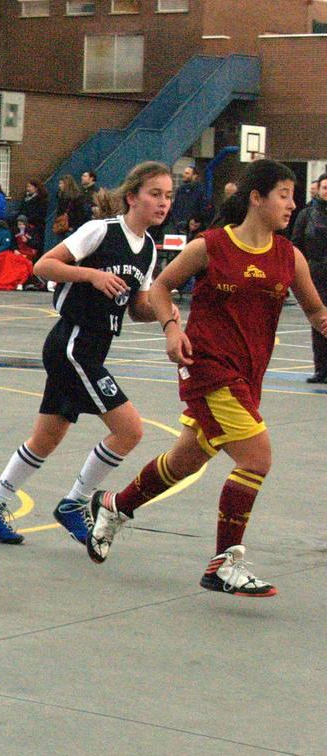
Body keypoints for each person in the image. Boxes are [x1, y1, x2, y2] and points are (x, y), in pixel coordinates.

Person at [85, 159, 327, 596]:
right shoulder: (211, 246)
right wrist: (172, 328)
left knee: (185, 461)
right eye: (284, 195)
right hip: (208, 367)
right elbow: (159, 287)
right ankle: (225, 562)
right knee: (256, 459)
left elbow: (315, 311)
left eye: (294, 195)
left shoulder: (289, 256)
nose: (292, 204)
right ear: (257, 198)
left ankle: (114, 506)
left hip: (249, 375)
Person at [0, 161, 172, 545]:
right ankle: (74, 503)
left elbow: (138, 307)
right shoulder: (100, 231)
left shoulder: (147, 249)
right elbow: (43, 265)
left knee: (46, 438)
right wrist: (91, 274)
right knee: (129, 430)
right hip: (73, 346)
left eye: (168, 196)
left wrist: (164, 310)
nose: (163, 203)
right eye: (155, 194)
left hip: (90, 348)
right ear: (132, 197)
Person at [292, 173, 327, 381]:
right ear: (319, 189)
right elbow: (296, 243)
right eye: (324, 187)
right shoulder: (307, 214)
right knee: (320, 322)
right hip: (315, 274)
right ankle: (321, 369)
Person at [170, 165, 209, 232]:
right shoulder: (180, 190)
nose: (184, 175)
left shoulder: (201, 191)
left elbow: (202, 210)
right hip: (177, 227)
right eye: (184, 172)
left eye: (187, 173)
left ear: (195, 176)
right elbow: (175, 207)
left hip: (192, 229)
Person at [20, 179, 48, 250]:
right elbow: (21, 210)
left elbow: (40, 214)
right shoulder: (25, 198)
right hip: (26, 225)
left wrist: (28, 219)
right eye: (27, 187)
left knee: (36, 245)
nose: (27, 189)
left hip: (37, 226)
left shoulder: (41, 199)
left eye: (29, 187)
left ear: (36, 188)